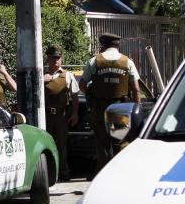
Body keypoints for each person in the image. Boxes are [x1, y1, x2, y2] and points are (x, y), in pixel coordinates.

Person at [78, 33, 141, 173]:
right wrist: (137, 109)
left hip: (99, 109)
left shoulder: (94, 61)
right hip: (120, 108)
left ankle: (102, 176)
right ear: (117, 45)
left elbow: (82, 85)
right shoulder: (127, 62)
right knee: (119, 141)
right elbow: (136, 90)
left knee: (102, 145)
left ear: (103, 45)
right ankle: (121, 175)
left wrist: (91, 92)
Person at [43, 45, 79, 181]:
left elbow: (74, 96)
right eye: (53, 58)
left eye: (58, 58)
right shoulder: (42, 75)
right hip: (45, 116)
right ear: (48, 59)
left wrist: (75, 114)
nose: (56, 61)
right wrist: (42, 80)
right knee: (46, 145)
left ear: (61, 59)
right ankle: (49, 174)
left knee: (62, 145)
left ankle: (63, 172)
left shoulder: (68, 75)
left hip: (61, 115)